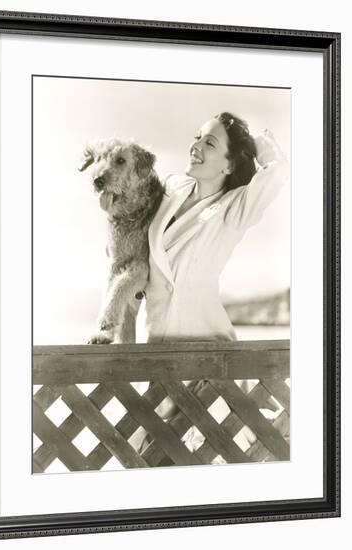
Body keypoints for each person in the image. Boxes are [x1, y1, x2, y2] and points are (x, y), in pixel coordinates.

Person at [135, 112, 290, 457]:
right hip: (154, 338)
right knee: (151, 449)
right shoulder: (171, 189)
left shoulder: (233, 208)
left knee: (197, 448)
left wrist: (262, 147)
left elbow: (278, 173)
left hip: (203, 344)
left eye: (210, 142)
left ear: (229, 164)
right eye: (197, 137)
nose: (196, 147)